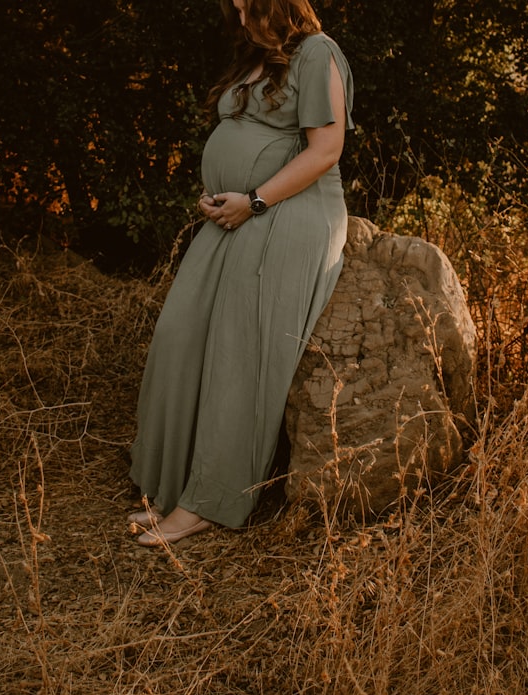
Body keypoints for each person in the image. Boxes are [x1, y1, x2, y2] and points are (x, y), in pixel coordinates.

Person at [127, 0, 354, 546]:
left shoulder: (317, 52)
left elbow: (326, 150)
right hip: (240, 214)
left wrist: (253, 199)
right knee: (179, 333)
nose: (235, 6)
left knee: (238, 351)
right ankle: (171, 485)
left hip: (291, 213)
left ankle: (207, 501)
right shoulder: (255, 58)